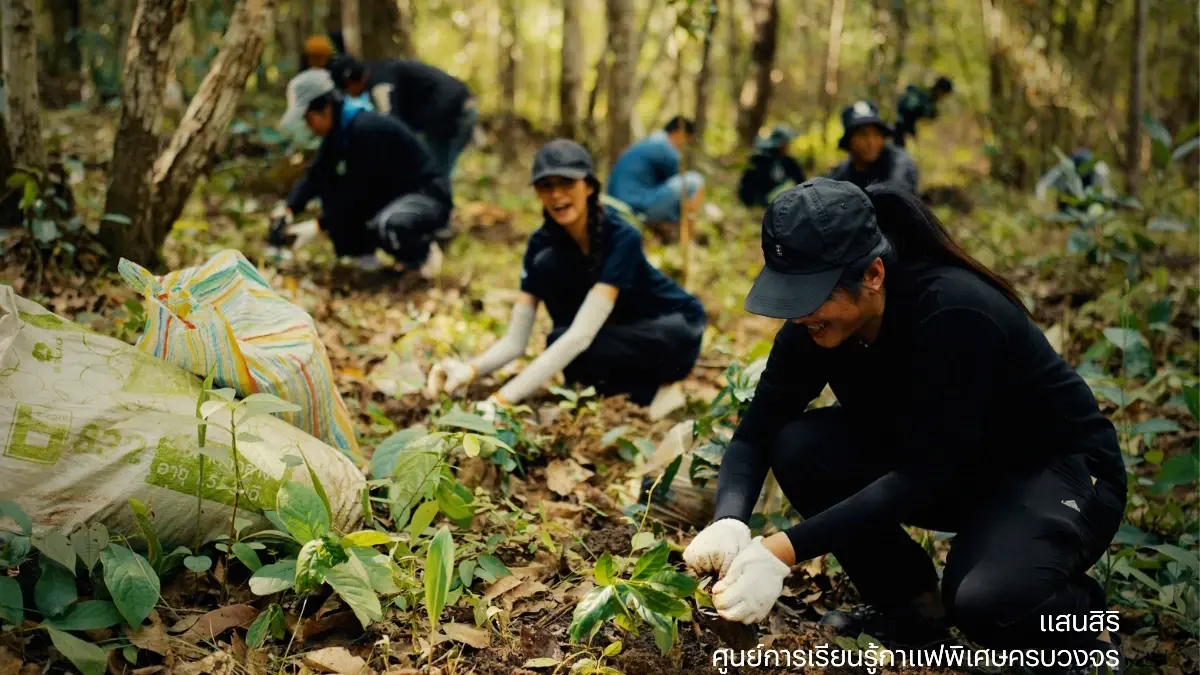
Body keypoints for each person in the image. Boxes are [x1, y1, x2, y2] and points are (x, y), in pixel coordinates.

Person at [681, 178, 1127, 675]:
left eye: (810, 295)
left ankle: (1082, 626)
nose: (798, 314)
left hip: (1056, 472)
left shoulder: (953, 310)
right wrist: (729, 518)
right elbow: (758, 429)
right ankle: (911, 609)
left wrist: (781, 551)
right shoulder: (814, 327)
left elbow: (924, 474)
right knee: (799, 446)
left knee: (985, 603)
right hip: (957, 466)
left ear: (872, 274)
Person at [425, 139, 707, 410]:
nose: (557, 194)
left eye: (567, 183)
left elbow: (581, 336)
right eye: (546, 186)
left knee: (571, 346)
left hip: (675, 329)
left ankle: (656, 393)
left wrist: (501, 401)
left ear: (588, 186)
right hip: (622, 332)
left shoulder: (622, 236)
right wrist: (469, 370)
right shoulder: (540, 246)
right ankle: (638, 392)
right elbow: (516, 340)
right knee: (561, 342)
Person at [269, 69, 451, 276]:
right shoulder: (340, 131)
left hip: (426, 196)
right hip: (393, 196)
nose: (308, 126)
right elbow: (317, 174)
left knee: (389, 225)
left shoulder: (366, 130)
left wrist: (319, 225)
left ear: (325, 109)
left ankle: (422, 256)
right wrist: (289, 209)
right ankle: (362, 258)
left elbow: (359, 192)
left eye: (308, 119)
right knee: (332, 189)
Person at [329, 56, 476, 178]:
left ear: (349, 82)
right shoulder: (383, 73)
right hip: (458, 108)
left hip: (452, 113)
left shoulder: (381, 85)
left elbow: (390, 126)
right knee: (434, 172)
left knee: (433, 175)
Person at [606, 117, 705, 225]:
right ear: (679, 134)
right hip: (635, 208)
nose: (683, 147)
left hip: (616, 206)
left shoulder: (650, 142)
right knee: (695, 180)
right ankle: (689, 235)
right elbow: (679, 186)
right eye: (685, 141)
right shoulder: (665, 148)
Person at [827, 100, 919, 194]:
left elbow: (898, 194)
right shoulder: (840, 175)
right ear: (849, 141)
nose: (871, 142)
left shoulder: (898, 164)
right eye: (863, 135)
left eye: (876, 134)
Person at [738, 125, 806, 207]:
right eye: (785, 144)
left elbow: (801, 182)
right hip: (761, 202)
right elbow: (747, 186)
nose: (787, 146)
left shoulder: (789, 162)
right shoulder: (758, 160)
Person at [1036, 148, 1116, 212]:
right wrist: (1041, 199)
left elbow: (1105, 191)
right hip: (1069, 203)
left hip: (1089, 203)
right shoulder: (1067, 168)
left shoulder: (1099, 168)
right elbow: (1044, 182)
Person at [894, 75, 953, 148]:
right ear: (940, 90)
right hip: (897, 127)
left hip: (902, 128)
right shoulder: (923, 96)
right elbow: (906, 111)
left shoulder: (930, 101)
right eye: (944, 94)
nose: (943, 97)